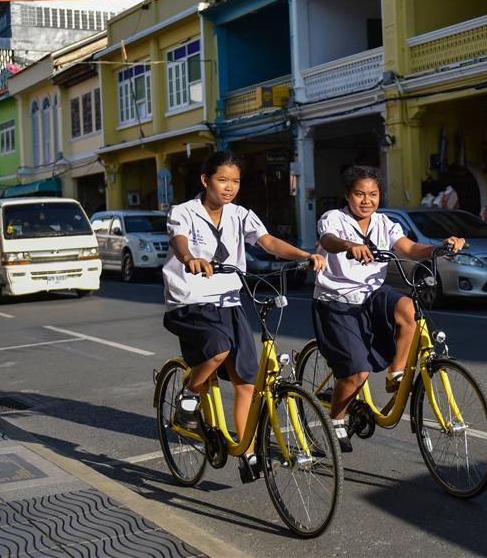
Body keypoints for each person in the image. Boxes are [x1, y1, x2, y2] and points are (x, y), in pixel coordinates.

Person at [162, 151, 326, 482]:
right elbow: (179, 242)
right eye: (222, 180)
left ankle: (247, 451)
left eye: (235, 181)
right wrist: (190, 257)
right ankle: (189, 394)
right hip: (190, 301)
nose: (229, 187)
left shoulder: (240, 215)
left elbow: (268, 242)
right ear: (206, 180)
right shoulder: (184, 212)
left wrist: (305, 255)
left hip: (229, 300)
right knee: (218, 349)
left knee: (247, 381)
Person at [311, 165, 465, 452]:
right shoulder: (334, 219)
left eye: (373, 194)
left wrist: (440, 248)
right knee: (357, 373)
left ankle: (396, 373)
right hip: (337, 301)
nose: (366, 200)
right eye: (359, 194)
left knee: (408, 307)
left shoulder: (385, 223)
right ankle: (336, 420)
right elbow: (329, 241)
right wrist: (349, 245)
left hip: (371, 296)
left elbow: (408, 247)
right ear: (347, 195)